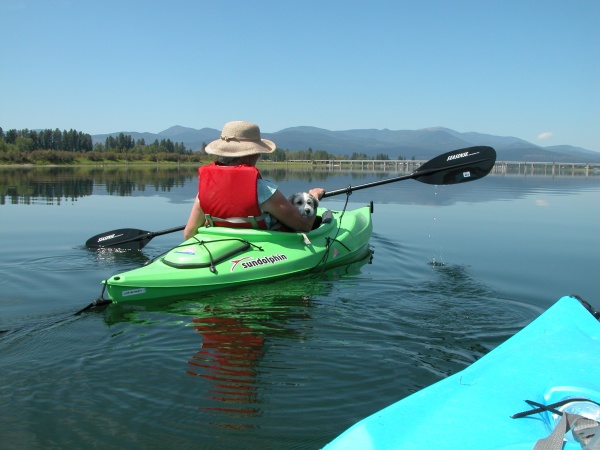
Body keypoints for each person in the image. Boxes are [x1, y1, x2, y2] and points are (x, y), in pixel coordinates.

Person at [184, 121, 325, 240]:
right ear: (248, 155)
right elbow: (304, 225)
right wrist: (314, 198)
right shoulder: (263, 190)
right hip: (259, 251)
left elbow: (189, 233)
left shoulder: (205, 190)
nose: (258, 156)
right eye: (257, 152)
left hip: (221, 246)